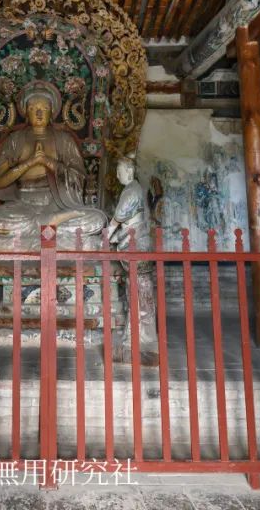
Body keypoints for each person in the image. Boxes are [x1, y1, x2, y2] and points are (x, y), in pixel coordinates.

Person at [0, 80, 106, 239]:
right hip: (22, 206)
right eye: (33, 108)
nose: (39, 113)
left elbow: (78, 178)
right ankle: (48, 226)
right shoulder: (15, 140)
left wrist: (48, 162)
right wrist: (30, 162)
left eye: (44, 108)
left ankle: (39, 226)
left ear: (52, 112)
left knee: (97, 219)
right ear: (26, 112)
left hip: (57, 204)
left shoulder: (63, 140)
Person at [107, 154, 159, 365]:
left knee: (140, 295)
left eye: (119, 170)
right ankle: (134, 337)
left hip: (137, 247)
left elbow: (119, 217)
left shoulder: (132, 191)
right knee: (135, 294)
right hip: (134, 244)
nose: (117, 174)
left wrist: (107, 235)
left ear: (129, 171)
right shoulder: (133, 189)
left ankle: (143, 341)